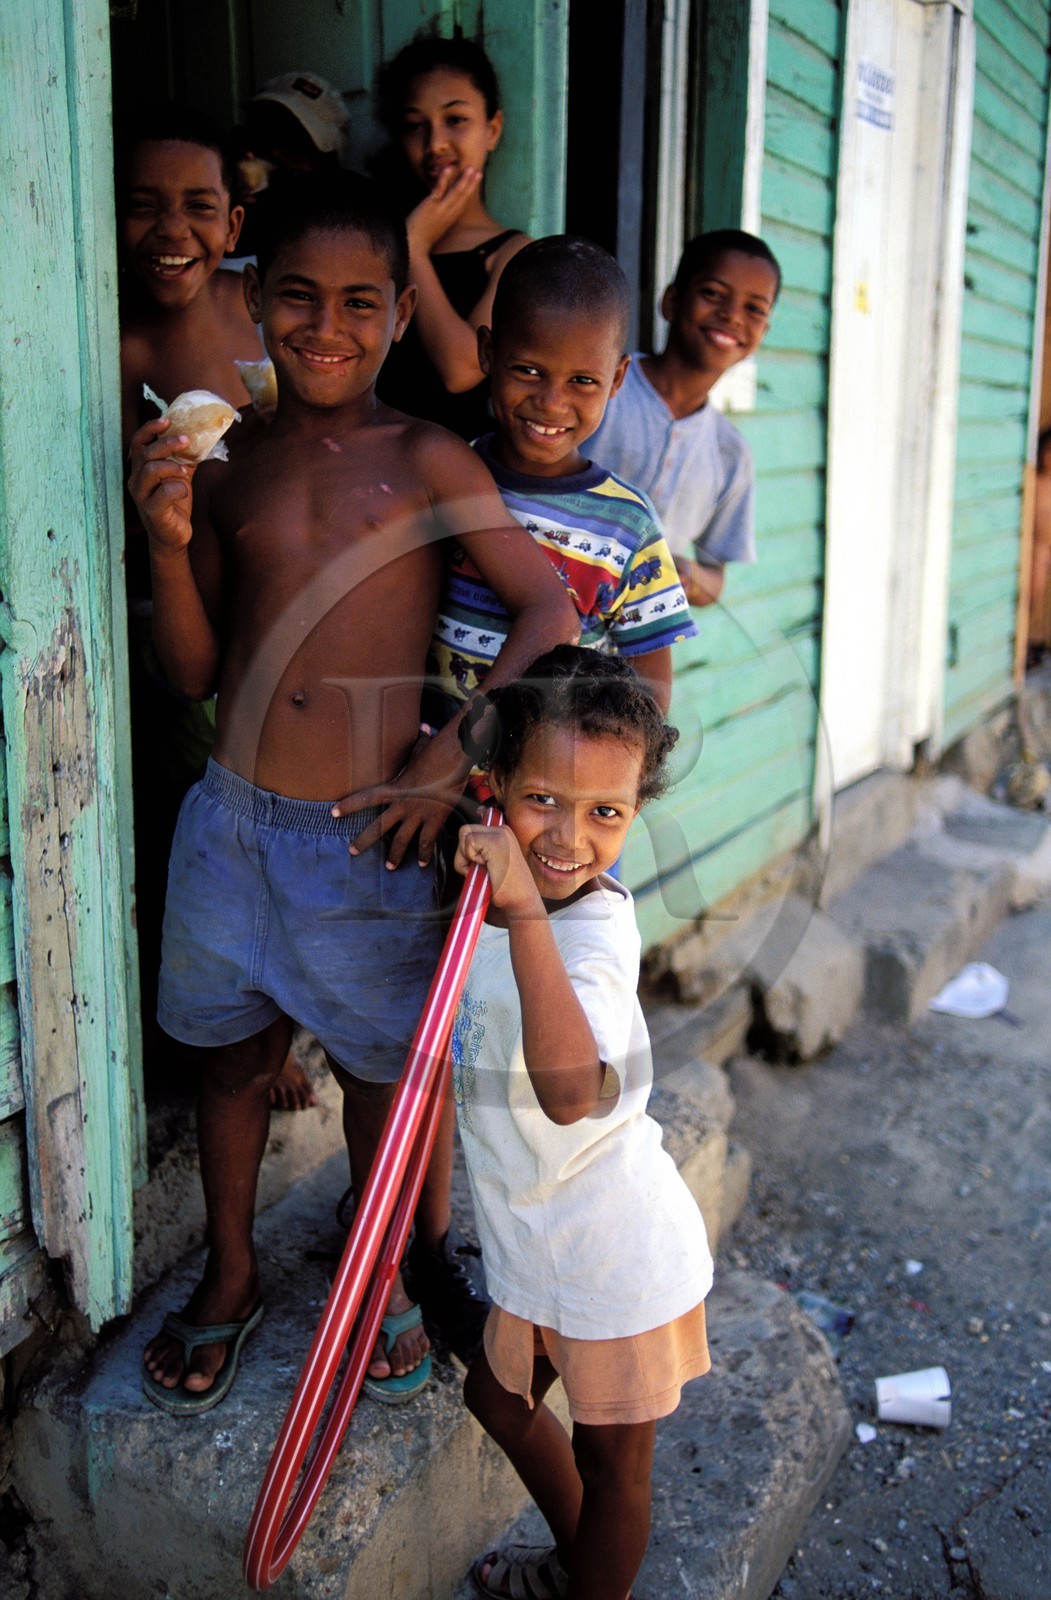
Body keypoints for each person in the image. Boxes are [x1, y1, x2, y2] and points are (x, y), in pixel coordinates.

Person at [127, 170, 578, 1413]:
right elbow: (191, 670)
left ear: (394, 315)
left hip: (368, 836)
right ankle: (230, 1270)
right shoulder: (230, 469)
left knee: (383, 1076)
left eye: (362, 303)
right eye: (298, 298)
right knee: (225, 1065)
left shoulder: (426, 454)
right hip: (228, 825)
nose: (328, 326)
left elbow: (546, 603)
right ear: (254, 300)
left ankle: (379, 1274)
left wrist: (456, 751)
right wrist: (167, 545)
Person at [449, 647, 713, 1600]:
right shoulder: (497, 888)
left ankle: (595, 1586)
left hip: (610, 1259)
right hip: (543, 1244)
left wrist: (522, 909)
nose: (568, 837)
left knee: (616, 1475)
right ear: (494, 789)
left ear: (636, 811)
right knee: (496, 1397)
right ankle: (579, 1569)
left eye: (606, 813)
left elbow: (571, 1094)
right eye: (543, 801)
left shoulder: (586, 937)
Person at [116, 104, 314, 1110]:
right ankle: (192, 1042)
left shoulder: (261, 309)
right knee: (200, 846)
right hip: (182, 624)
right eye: (142, 206)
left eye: (197, 206)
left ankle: (273, 1038)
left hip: (287, 612)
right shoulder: (108, 343)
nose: (170, 229)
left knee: (284, 841)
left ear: (236, 225)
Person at [430, 236, 698, 725]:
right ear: (488, 352)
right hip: (433, 767)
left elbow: (650, 694)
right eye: (529, 371)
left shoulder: (627, 525)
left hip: (550, 787)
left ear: (617, 380)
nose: (552, 403)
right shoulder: (453, 477)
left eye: (582, 381)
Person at [588, 228, 781, 608]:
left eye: (754, 309)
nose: (731, 316)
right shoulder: (602, 388)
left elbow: (715, 578)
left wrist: (688, 578)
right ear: (672, 301)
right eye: (712, 294)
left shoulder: (730, 453)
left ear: (763, 332)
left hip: (628, 652)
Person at [373, 34, 528, 439]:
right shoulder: (375, 237)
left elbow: (462, 370)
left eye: (455, 120)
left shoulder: (512, 253)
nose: (435, 144)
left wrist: (414, 248)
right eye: (414, 126)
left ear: (492, 130)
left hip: (456, 471)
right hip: (367, 459)